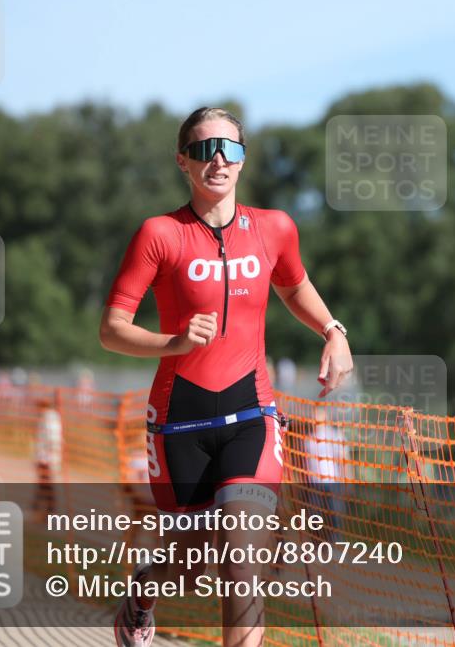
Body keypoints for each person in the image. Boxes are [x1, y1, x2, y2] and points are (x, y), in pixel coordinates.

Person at [99, 107, 354, 647]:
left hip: (251, 415)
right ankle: (143, 593)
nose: (218, 158)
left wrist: (333, 331)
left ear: (242, 160)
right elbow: (112, 329)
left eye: (230, 149)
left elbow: (292, 287)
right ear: (183, 162)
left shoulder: (274, 228)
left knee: (241, 565)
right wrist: (173, 342)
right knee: (193, 565)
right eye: (203, 149)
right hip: (178, 421)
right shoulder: (159, 234)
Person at [303, 406, 350, 542]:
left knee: (334, 515)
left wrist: (346, 481)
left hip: (332, 482)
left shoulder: (334, 436)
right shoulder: (308, 438)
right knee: (314, 516)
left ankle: (333, 544)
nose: (315, 418)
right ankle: (317, 544)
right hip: (313, 483)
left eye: (318, 414)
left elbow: (343, 460)